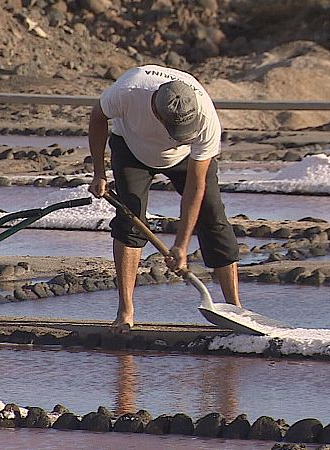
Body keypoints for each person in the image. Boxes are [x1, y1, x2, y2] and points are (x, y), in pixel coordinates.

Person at [87, 64, 242, 333]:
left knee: (213, 217)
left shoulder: (206, 117)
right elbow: (97, 117)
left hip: (185, 161)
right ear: (156, 112)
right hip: (132, 150)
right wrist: (99, 173)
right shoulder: (128, 91)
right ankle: (126, 311)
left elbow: (196, 188)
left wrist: (181, 246)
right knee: (130, 221)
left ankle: (236, 310)